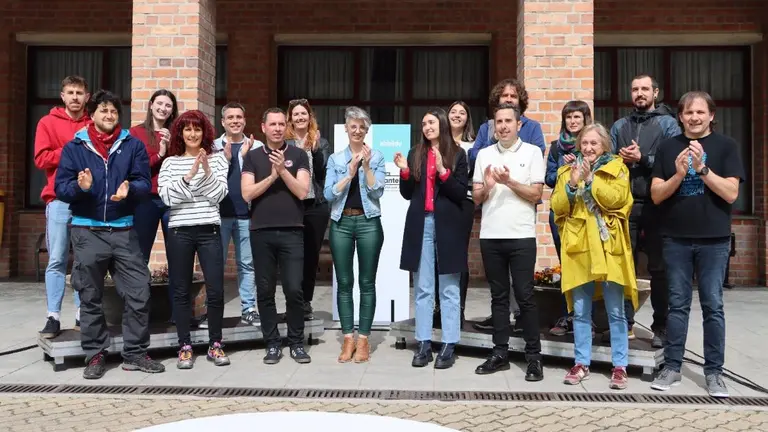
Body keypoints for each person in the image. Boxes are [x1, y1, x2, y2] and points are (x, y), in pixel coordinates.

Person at [54, 90, 165, 379]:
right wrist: (82, 187)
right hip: (87, 229)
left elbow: (143, 182)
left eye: (113, 111)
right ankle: (95, 354)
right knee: (90, 296)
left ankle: (135, 353)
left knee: (139, 290)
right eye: (103, 110)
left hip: (123, 229)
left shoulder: (132, 146)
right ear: (92, 114)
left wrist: (131, 188)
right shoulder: (75, 147)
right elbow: (61, 189)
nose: (109, 115)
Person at [650, 91, 744, 398]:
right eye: (688, 112)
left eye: (700, 112)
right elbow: (657, 194)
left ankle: (714, 373)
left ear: (711, 115)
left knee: (713, 307)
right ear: (680, 116)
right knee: (676, 306)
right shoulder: (667, 147)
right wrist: (679, 174)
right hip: (675, 239)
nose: (694, 117)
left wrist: (702, 169)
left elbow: (730, 193)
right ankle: (672, 367)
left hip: (714, 241)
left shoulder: (726, 146)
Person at [551, 123, 638, 390]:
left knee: (616, 311)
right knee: (579, 311)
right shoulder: (567, 170)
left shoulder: (617, 168)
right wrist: (573, 184)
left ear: (604, 146)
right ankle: (581, 363)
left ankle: (620, 366)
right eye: (584, 143)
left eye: (594, 144)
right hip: (580, 248)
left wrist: (591, 181)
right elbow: (556, 206)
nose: (588, 148)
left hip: (607, 246)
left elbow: (617, 199)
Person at [471, 104, 544, 380]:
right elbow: (477, 197)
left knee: (525, 297)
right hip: (491, 236)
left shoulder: (532, 152)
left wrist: (509, 181)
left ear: (519, 125)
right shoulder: (484, 155)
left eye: (508, 121)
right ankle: (499, 353)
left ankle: (533, 358)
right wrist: (489, 185)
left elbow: (536, 194)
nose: (503, 126)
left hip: (522, 236)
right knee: (498, 298)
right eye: (498, 122)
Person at [395, 107, 468, 370]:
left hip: (448, 225)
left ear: (442, 125)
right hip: (421, 223)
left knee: (448, 288)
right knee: (423, 288)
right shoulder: (416, 153)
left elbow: (460, 193)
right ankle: (423, 342)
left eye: (432, 122)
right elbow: (406, 194)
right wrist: (404, 171)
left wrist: (443, 171)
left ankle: (449, 344)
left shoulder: (458, 154)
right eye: (424, 123)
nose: (427, 127)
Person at [610, 74, 681, 345]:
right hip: (625, 205)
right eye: (635, 89)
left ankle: (661, 325)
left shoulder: (668, 124)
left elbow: (673, 163)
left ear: (656, 92)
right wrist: (621, 159)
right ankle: (624, 322)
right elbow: (609, 161)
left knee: (658, 268)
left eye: (644, 89)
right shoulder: (619, 125)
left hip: (657, 205)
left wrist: (643, 158)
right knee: (623, 265)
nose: (639, 93)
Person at [158, 110, 230, 369]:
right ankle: (185, 346)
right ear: (180, 133)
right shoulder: (169, 163)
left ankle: (215, 344)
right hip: (180, 231)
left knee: (216, 289)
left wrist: (207, 171)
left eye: (197, 129)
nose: (192, 134)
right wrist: (190, 176)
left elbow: (218, 196)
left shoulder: (219, 160)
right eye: (187, 129)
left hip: (209, 229)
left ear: (205, 132)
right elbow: (167, 199)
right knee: (180, 289)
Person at [241, 108, 312, 365]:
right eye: (273, 124)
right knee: (266, 290)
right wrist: (272, 175)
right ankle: (272, 344)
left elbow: (303, 191)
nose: (278, 128)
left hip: (293, 231)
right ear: (263, 127)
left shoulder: (299, 154)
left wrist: (282, 171)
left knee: (294, 290)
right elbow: (246, 194)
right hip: (262, 232)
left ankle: (296, 343)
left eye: (282, 124)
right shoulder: (252, 157)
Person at [324, 106, 386, 363]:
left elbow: (377, 191)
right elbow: (328, 194)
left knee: (367, 283)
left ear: (366, 130)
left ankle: (363, 340)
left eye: (362, 127)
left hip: (368, 221)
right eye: (353, 126)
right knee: (345, 283)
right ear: (347, 129)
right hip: (341, 222)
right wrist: (349, 174)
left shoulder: (378, 156)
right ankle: (347, 338)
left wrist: (368, 167)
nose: (357, 130)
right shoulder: (336, 159)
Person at [34, 75, 90, 338]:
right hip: (57, 200)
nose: (75, 97)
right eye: (71, 92)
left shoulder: (93, 123)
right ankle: (53, 316)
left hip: (86, 201)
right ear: (63, 96)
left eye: (80, 92)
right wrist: (71, 149)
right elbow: (42, 158)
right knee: (56, 259)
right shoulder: (47, 122)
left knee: (83, 261)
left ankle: (82, 314)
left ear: (87, 97)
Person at [129, 89, 178, 321]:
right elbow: (137, 169)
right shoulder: (136, 133)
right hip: (145, 200)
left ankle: (176, 313)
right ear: (150, 105)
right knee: (140, 257)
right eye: (159, 103)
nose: (163, 108)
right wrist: (160, 153)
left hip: (171, 200)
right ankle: (139, 313)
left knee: (177, 255)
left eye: (168, 105)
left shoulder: (176, 133)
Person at [545, 101, 592, 336]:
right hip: (562, 212)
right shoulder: (556, 148)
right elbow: (549, 179)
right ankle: (567, 315)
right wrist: (563, 169)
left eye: (577, 117)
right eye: (569, 118)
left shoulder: (593, 146)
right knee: (566, 265)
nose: (573, 122)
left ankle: (587, 317)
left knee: (587, 265)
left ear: (586, 120)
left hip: (587, 212)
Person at [213, 102, 261, 327]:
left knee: (247, 264)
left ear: (244, 120)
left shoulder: (256, 146)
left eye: (239, 117)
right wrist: (228, 159)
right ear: (223, 122)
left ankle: (249, 308)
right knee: (216, 264)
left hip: (246, 214)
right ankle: (213, 310)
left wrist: (244, 157)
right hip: (218, 214)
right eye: (230, 117)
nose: (235, 121)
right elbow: (210, 179)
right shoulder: (213, 146)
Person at [285, 99, 332, 321]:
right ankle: (292, 302)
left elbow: (323, 173)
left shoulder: (320, 142)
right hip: (291, 204)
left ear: (309, 117)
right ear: (290, 118)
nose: (300, 117)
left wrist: (314, 152)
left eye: (304, 113)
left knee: (311, 255)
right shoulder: (284, 142)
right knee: (291, 256)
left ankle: (305, 303)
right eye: (296, 114)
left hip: (315, 205)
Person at [431, 101, 475, 327]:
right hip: (438, 203)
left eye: (462, 113)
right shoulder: (437, 142)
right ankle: (439, 307)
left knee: (458, 256)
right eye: (453, 112)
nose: (457, 116)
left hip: (461, 203)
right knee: (437, 255)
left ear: (468, 119)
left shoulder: (473, 146)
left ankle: (458, 308)